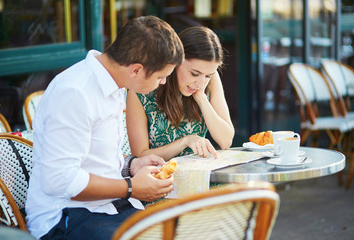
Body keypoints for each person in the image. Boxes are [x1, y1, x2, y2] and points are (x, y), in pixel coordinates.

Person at [25, 16, 184, 240]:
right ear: (136, 70)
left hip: (111, 208)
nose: (163, 83)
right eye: (161, 77)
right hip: (64, 218)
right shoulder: (75, 93)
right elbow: (61, 181)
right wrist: (131, 187)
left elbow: (94, 155)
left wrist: (132, 165)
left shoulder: (116, 83)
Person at [127, 26, 234, 161]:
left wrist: (201, 98)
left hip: (198, 174)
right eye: (194, 74)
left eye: (208, 75)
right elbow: (139, 156)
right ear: (176, 61)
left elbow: (225, 141)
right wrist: (185, 142)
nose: (200, 83)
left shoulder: (210, 80)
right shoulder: (142, 90)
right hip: (160, 177)